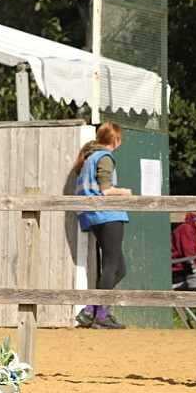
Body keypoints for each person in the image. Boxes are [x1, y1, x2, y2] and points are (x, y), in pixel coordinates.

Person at [73, 122, 131, 329]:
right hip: (108, 214)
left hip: (94, 216)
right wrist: (125, 192)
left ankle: (92, 311)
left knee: (118, 269)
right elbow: (106, 190)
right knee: (112, 267)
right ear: (116, 140)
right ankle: (98, 314)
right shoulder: (104, 157)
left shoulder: (89, 158)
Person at [171, 212, 196, 288]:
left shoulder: (195, 232)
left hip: (192, 268)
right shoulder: (186, 229)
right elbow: (189, 254)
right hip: (182, 270)